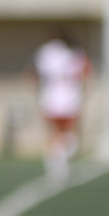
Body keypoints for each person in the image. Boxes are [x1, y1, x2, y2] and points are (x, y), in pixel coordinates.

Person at [31, 29, 90, 179]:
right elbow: (86, 73)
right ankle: (61, 159)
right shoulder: (76, 54)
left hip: (50, 98)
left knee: (54, 134)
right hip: (71, 98)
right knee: (69, 134)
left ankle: (56, 163)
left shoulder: (45, 53)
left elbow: (33, 74)